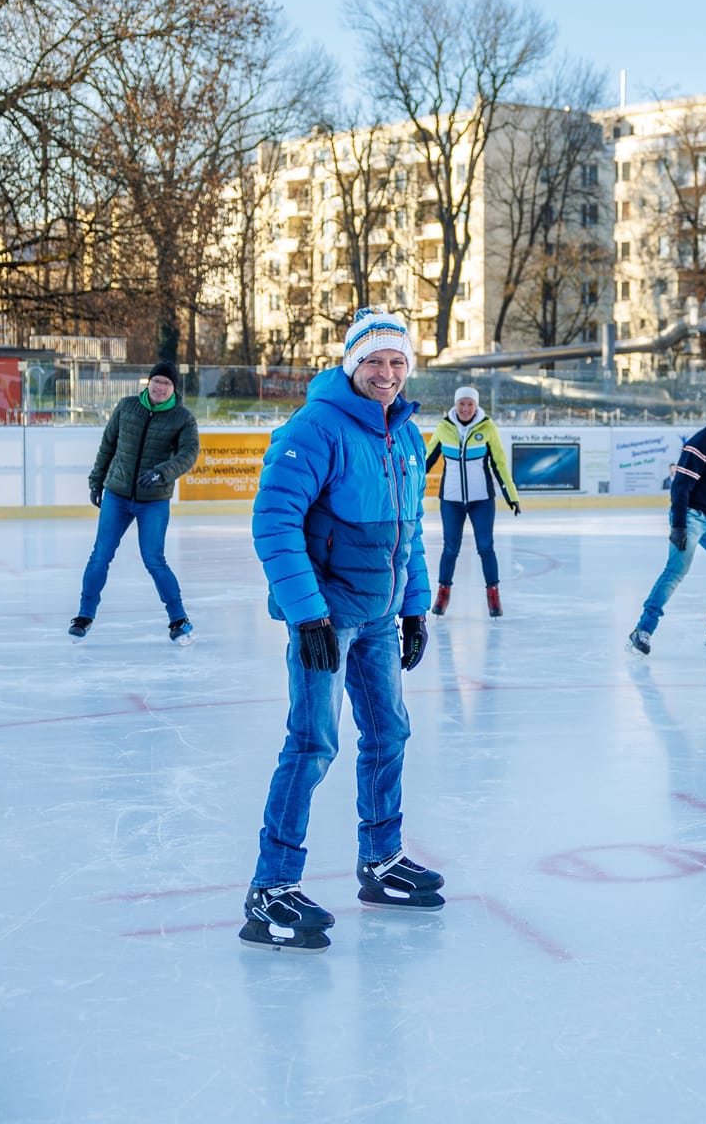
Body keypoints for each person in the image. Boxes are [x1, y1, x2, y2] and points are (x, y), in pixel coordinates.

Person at [241, 308, 444, 953]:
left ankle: (381, 861)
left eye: (397, 363)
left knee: (389, 731)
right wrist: (308, 615)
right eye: (375, 362)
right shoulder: (316, 427)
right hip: (327, 618)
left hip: (380, 615)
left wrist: (414, 608)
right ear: (352, 365)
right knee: (313, 744)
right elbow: (273, 523)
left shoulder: (404, 435)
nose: (387, 374)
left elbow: (407, 532)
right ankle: (270, 889)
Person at [70, 361, 201, 644]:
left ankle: (179, 620)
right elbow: (108, 444)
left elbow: (189, 455)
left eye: (166, 383)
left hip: (153, 499)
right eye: (157, 381)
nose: (160, 387)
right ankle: (84, 615)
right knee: (100, 554)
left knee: (154, 559)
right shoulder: (127, 406)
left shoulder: (182, 418)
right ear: (148, 382)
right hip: (117, 494)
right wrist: (96, 481)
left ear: (173, 388)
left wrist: (161, 473)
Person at [626, 389, 706, 656]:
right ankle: (643, 630)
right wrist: (679, 526)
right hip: (690, 516)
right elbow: (680, 488)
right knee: (676, 570)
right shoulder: (701, 444)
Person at [429, 384, 521, 618]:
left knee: (485, 547)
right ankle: (443, 593)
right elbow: (425, 462)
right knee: (450, 549)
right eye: (462, 403)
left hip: (482, 500)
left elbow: (499, 464)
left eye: (470, 404)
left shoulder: (488, 428)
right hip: (451, 500)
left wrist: (511, 496)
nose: (466, 408)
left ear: (476, 406)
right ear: (455, 404)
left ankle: (493, 596)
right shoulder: (444, 427)